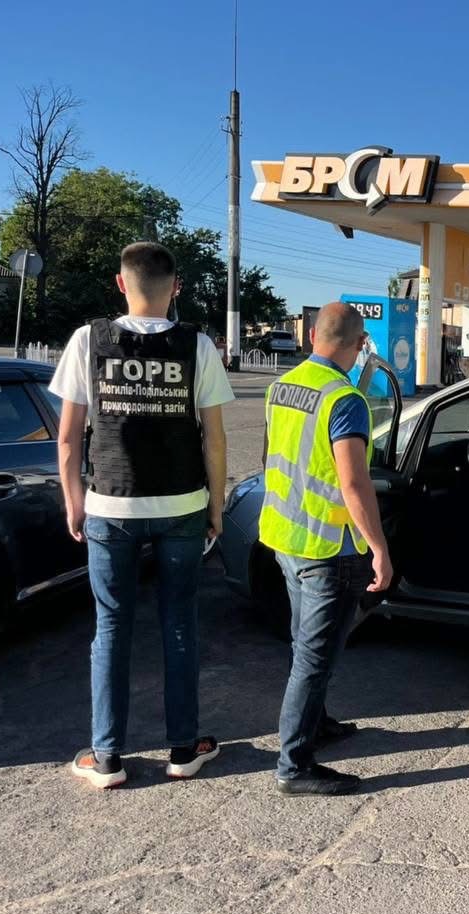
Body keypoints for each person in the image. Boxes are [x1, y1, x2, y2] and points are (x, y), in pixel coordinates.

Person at [54, 241, 233, 789]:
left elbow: (68, 437)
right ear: (175, 288)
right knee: (179, 623)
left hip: (110, 505)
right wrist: (217, 505)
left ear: (120, 283)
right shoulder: (196, 345)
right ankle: (183, 749)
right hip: (182, 505)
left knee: (111, 626)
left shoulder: (88, 340)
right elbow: (215, 438)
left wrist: (74, 500)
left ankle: (107, 757)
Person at [260, 302, 393, 796]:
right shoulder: (345, 399)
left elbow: (278, 457)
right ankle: (294, 765)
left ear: (312, 334)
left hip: (286, 538)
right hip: (329, 549)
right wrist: (379, 548)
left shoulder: (281, 386)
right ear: (359, 345)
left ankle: (315, 724)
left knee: (303, 647)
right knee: (314, 660)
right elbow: (354, 483)